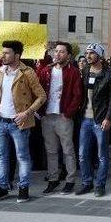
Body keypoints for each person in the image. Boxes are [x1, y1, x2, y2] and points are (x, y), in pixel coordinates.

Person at [0, 41, 46, 203]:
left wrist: (27, 113)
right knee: (1, 156)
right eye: (2, 52)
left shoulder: (27, 72)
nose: (2, 55)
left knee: (22, 156)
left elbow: (41, 96)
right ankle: (2, 187)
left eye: (6, 53)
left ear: (17, 55)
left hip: (19, 123)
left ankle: (23, 189)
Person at [37, 41, 83, 195]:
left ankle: (70, 180)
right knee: (50, 150)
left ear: (69, 55)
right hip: (47, 116)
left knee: (68, 150)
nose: (57, 54)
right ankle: (53, 179)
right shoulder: (46, 71)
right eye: (56, 51)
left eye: (61, 52)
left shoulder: (73, 72)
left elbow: (78, 95)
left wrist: (68, 113)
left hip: (63, 116)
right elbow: (38, 88)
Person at [76, 43, 111, 197]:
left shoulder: (109, 74)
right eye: (87, 53)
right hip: (85, 119)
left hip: (100, 119)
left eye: (92, 53)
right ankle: (87, 182)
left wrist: (108, 118)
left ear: (99, 55)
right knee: (82, 154)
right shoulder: (86, 70)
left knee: (102, 154)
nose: (88, 56)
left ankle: (100, 184)